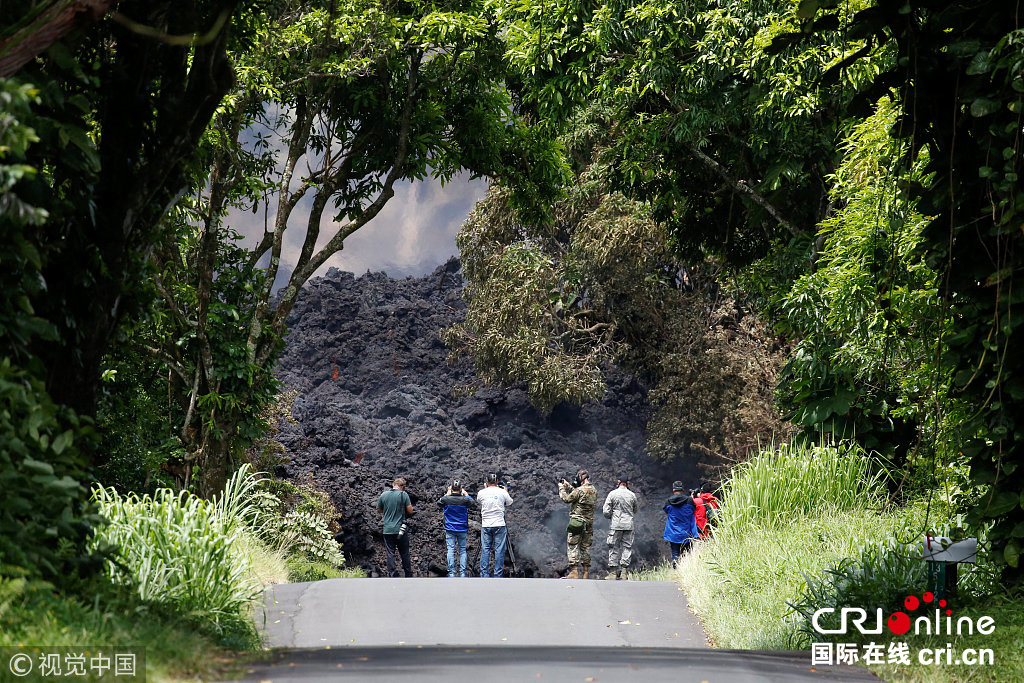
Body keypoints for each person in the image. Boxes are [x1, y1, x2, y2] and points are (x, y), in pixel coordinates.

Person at [558, 469, 598, 579]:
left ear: (581, 478)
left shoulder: (579, 490)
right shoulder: (594, 490)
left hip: (577, 522)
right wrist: (569, 486)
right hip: (588, 523)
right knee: (585, 547)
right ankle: (585, 572)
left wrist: (561, 488)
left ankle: (574, 571)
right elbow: (580, 494)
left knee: (572, 545)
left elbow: (567, 498)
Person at [437, 479, 477, 577]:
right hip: (462, 528)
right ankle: (462, 573)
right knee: (462, 550)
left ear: (451, 488)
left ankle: (451, 573)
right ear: (460, 489)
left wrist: (447, 494)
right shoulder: (465, 500)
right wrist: (466, 494)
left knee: (450, 550)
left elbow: (439, 503)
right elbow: (472, 503)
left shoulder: (446, 499)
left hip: (450, 528)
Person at [602, 474, 639, 580]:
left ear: (618, 482)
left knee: (613, 547)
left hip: (616, 525)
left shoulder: (612, 494)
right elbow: (635, 510)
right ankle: (624, 572)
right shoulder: (632, 495)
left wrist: (611, 516)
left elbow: (606, 511)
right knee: (627, 547)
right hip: (628, 525)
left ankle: (613, 573)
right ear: (628, 483)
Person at [376, 477, 414, 577]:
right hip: (400, 529)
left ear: (393, 484)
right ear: (402, 487)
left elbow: (379, 510)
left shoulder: (384, 495)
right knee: (404, 552)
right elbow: (410, 511)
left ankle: (392, 573)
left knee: (390, 552)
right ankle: (408, 573)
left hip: (388, 529)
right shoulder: (403, 494)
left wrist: (388, 510)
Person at [477, 473, 513, 577]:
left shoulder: (481, 492)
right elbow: (510, 503)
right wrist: (506, 492)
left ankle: (484, 574)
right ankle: (497, 574)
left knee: (485, 549)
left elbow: (479, 501)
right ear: (497, 482)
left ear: (487, 482)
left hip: (486, 524)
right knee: (499, 550)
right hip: (499, 524)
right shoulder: (502, 492)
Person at [663, 481, 700, 566]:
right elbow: (693, 509)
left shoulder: (668, 502)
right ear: (683, 490)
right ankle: (684, 571)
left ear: (673, 490)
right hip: (686, 533)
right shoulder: (689, 501)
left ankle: (675, 567)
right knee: (686, 554)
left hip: (673, 533)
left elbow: (666, 510)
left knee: (675, 554)